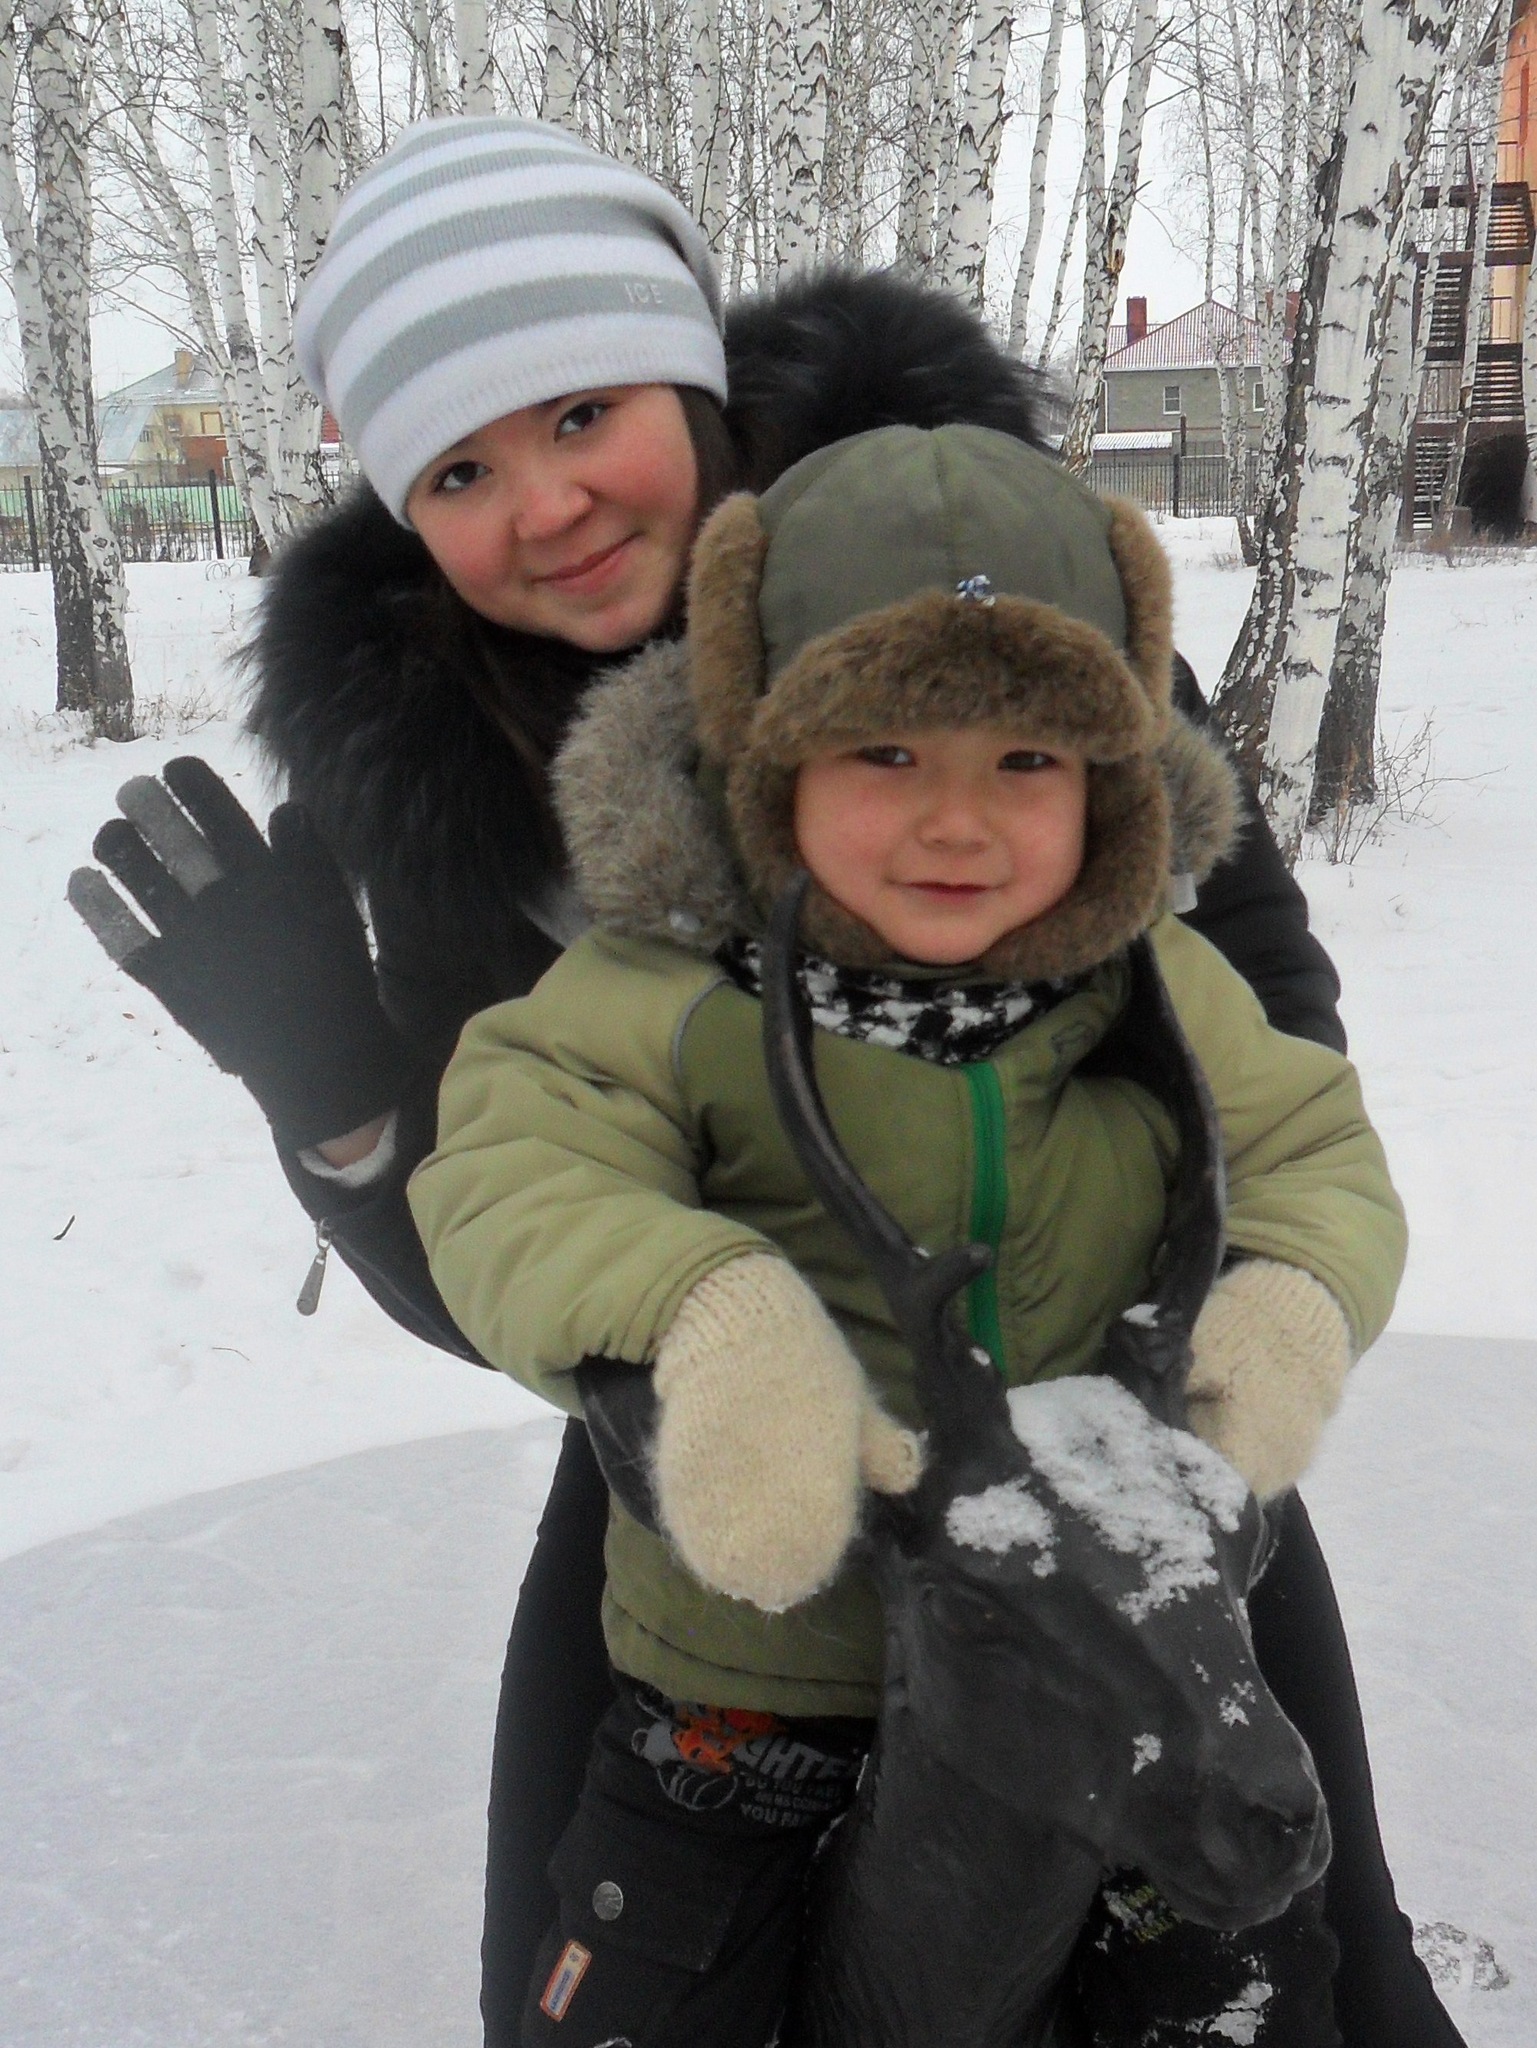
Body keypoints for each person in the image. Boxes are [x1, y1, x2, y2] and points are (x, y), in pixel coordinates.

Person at [65, 115, 1463, 2048]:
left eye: (581, 412)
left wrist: (1213, 1327)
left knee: (1312, 1969)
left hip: (1111, 1456)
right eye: (457, 470)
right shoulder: (452, 765)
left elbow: (1263, 1016)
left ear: (688, 375)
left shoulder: (984, 563)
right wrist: (334, 1092)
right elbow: (506, 1261)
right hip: (728, 1500)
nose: (544, 503)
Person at [406, 422, 1408, 2046]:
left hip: (1101, 1670)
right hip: (751, 1681)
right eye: (883, 752)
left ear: (1107, 777)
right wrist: (707, 1313)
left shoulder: (1156, 984)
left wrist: (1282, 1306)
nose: (958, 823)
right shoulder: (661, 993)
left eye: (1026, 763)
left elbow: (1311, 1146)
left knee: (1241, 1985)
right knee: (660, 1995)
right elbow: (510, 1171)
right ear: (762, 754)